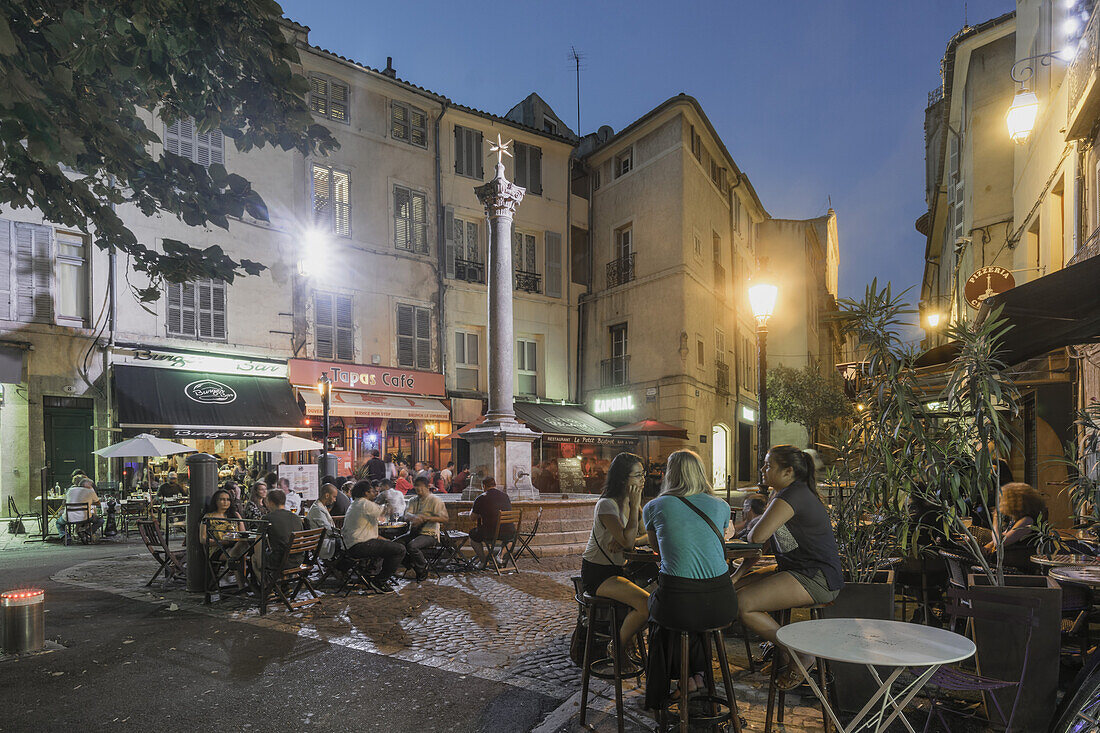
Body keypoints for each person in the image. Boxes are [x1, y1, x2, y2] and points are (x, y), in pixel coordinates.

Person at [738, 445, 844, 691]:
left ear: (787, 471)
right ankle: (785, 658)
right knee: (731, 593)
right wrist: (737, 575)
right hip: (797, 570)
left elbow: (757, 536)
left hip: (816, 577)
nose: (763, 470)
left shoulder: (792, 495)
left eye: (768, 465)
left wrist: (755, 526)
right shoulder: (786, 493)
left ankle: (799, 654)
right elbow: (765, 544)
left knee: (743, 604)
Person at [640, 450, 737, 708]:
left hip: (679, 603)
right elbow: (726, 535)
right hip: (722, 602)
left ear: (669, 474)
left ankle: (663, 691)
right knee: (685, 614)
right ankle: (696, 677)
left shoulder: (654, 507)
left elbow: (656, 549)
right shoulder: (722, 506)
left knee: (661, 610)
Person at [580, 452, 649, 670]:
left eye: (643, 474)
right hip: (599, 573)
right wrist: (628, 540)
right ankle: (617, 647)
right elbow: (629, 542)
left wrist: (629, 539)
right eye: (637, 475)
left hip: (620, 570)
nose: (643, 479)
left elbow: (648, 535)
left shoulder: (632, 505)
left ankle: (624, 643)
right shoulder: (607, 505)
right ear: (622, 479)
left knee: (657, 600)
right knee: (647, 604)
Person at [343, 480, 406, 591]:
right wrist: (390, 501)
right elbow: (385, 512)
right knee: (399, 549)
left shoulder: (356, 503)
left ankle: (371, 574)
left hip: (354, 544)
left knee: (389, 545)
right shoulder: (364, 503)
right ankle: (379, 581)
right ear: (366, 493)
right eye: (372, 491)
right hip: (360, 545)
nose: (375, 494)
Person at [397, 476, 450, 581]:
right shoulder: (413, 500)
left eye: (420, 488)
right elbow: (406, 515)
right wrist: (414, 517)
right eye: (416, 488)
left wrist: (427, 518)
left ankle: (422, 567)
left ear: (427, 487)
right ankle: (411, 563)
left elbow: (445, 518)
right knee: (395, 545)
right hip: (414, 532)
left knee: (412, 546)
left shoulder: (435, 500)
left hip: (429, 534)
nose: (418, 490)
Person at [982, 482, 1047, 567]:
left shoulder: (1027, 521)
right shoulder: (1017, 519)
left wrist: (996, 519)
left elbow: (999, 542)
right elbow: (1003, 535)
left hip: (1016, 562)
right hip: (1009, 558)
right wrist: (987, 546)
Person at [199, 489, 248, 588]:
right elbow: (203, 539)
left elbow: (243, 534)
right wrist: (221, 542)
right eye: (222, 499)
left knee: (239, 551)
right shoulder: (208, 517)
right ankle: (243, 587)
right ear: (216, 501)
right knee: (239, 556)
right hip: (218, 549)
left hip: (236, 546)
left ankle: (241, 586)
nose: (226, 502)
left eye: (228, 499)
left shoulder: (235, 515)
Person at [252, 489, 304, 577]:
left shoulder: (267, 518)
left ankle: (266, 587)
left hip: (280, 561)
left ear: (270, 502)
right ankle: (283, 584)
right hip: (298, 559)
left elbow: (258, 542)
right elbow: (301, 541)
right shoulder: (296, 518)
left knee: (254, 558)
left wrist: (260, 562)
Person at [469, 477, 515, 566]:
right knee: (511, 539)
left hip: (490, 533)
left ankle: (483, 561)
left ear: (484, 486)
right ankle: (500, 556)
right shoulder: (505, 496)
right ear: (495, 485)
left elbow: (472, 518)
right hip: (509, 532)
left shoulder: (481, 498)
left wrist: (472, 511)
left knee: (473, 535)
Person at [57, 477, 103, 543]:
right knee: (100, 520)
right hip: (85, 517)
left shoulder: (70, 490)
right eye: (90, 485)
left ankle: (66, 536)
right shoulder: (90, 491)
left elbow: (64, 503)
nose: (91, 486)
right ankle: (86, 532)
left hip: (69, 517)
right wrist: (89, 502)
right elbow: (98, 503)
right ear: (85, 485)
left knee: (59, 523)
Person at [306, 484, 339, 561]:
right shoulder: (317, 509)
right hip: (323, 544)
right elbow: (328, 529)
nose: (335, 500)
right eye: (334, 497)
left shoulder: (319, 506)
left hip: (324, 540)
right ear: (327, 495)